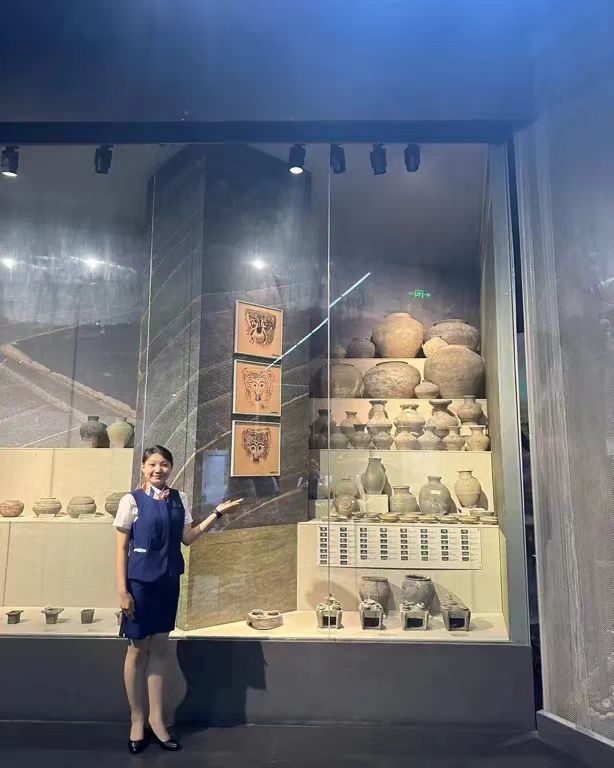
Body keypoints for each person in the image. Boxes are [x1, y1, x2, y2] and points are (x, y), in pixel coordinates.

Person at [114, 444, 242, 754]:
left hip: (168, 582)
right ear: (143, 468)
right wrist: (122, 591)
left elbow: (187, 537)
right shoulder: (131, 501)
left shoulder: (179, 499)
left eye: (164, 464)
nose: (158, 469)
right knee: (137, 651)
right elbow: (121, 548)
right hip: (139, 585)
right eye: (152, 464)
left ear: (171, 468)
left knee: (160, 650)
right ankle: (137, 719)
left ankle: (157, 720)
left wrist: (216, 514)